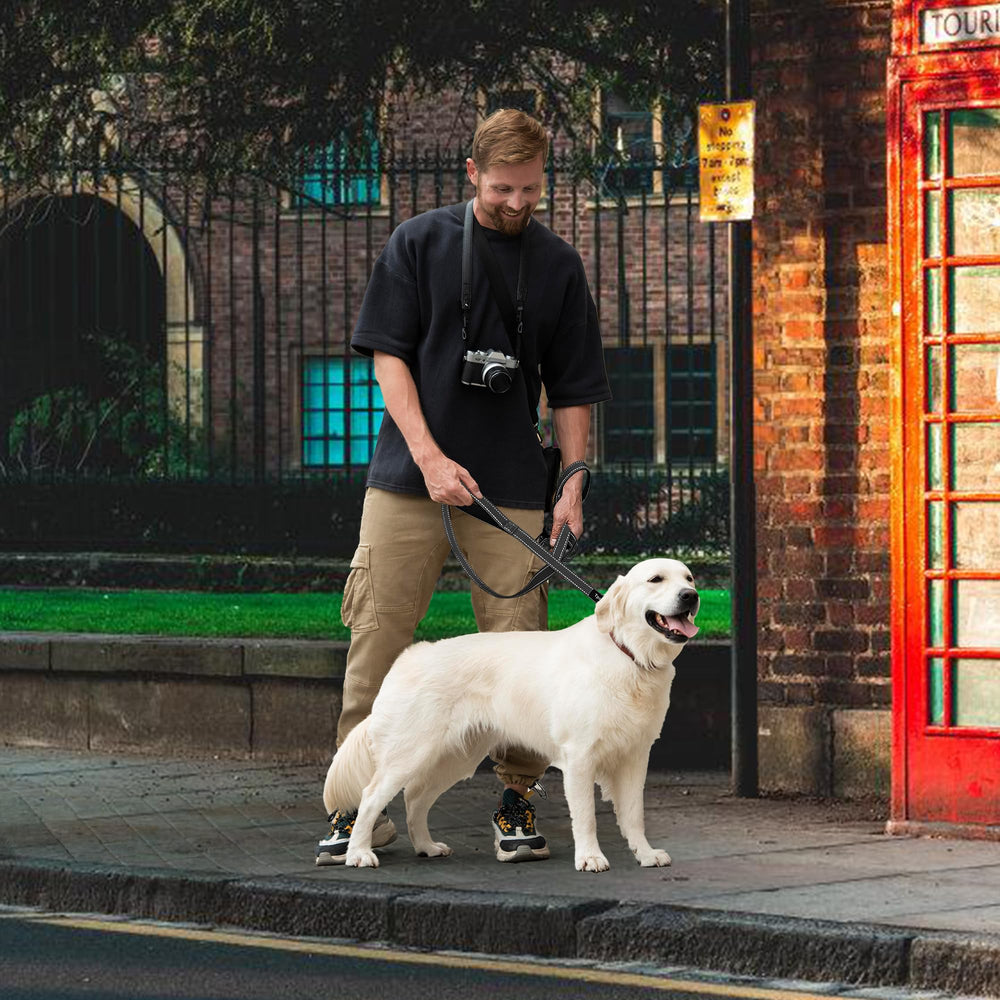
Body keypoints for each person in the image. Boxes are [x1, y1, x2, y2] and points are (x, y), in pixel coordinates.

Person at [316, 108, 611, 866]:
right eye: (504, 188)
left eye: (532, 190)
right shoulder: (417, 243)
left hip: (511, 485)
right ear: (472, 173)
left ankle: (516, 804)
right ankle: (356, 812)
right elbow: (388, 359)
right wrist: (429, 458)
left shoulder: (558, 266)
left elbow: (575, 391)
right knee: (377, 639)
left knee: (521, 655)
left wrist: (572, 481)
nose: (518, 202)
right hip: (408, 480)